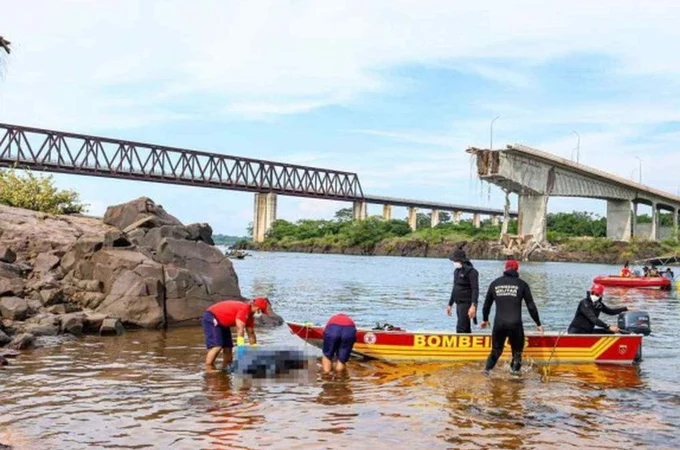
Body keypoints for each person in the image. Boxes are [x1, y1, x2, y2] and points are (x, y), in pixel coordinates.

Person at [481, 259, 543, 374]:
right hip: (515, 324)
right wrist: (538, 323)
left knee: (496, 351)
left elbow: (486, 305)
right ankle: (514, 378)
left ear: (505, 269)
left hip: (499, 324)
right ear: (517, 269)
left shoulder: (495, 283)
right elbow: (531, 306)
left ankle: (486, 372)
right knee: (517, 353)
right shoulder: (522, 284)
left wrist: (485, 319)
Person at [202, 297, 271, 370]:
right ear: (257, 308)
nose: (260, 313)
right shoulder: (244, 309)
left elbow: (251, 333)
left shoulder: (250, 316)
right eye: (261, 311)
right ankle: (208, 369)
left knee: (228, 348)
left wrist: (255, 351)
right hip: (212, 316)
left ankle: (226, 368)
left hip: (224, 322)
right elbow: (239, 329)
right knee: (217, 346)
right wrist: (241, 351)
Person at [446, 248, 479, 333]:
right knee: (465, 326)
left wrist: (473, 305)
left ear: (461, 261)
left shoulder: (472, 272)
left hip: (467, 303)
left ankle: (461, 343)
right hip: (458, 303)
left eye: (455, 260)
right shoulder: (456, 271)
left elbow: (475, 289)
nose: (454, 262)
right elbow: (455, 287)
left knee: (461, 327)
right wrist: (450, 304)